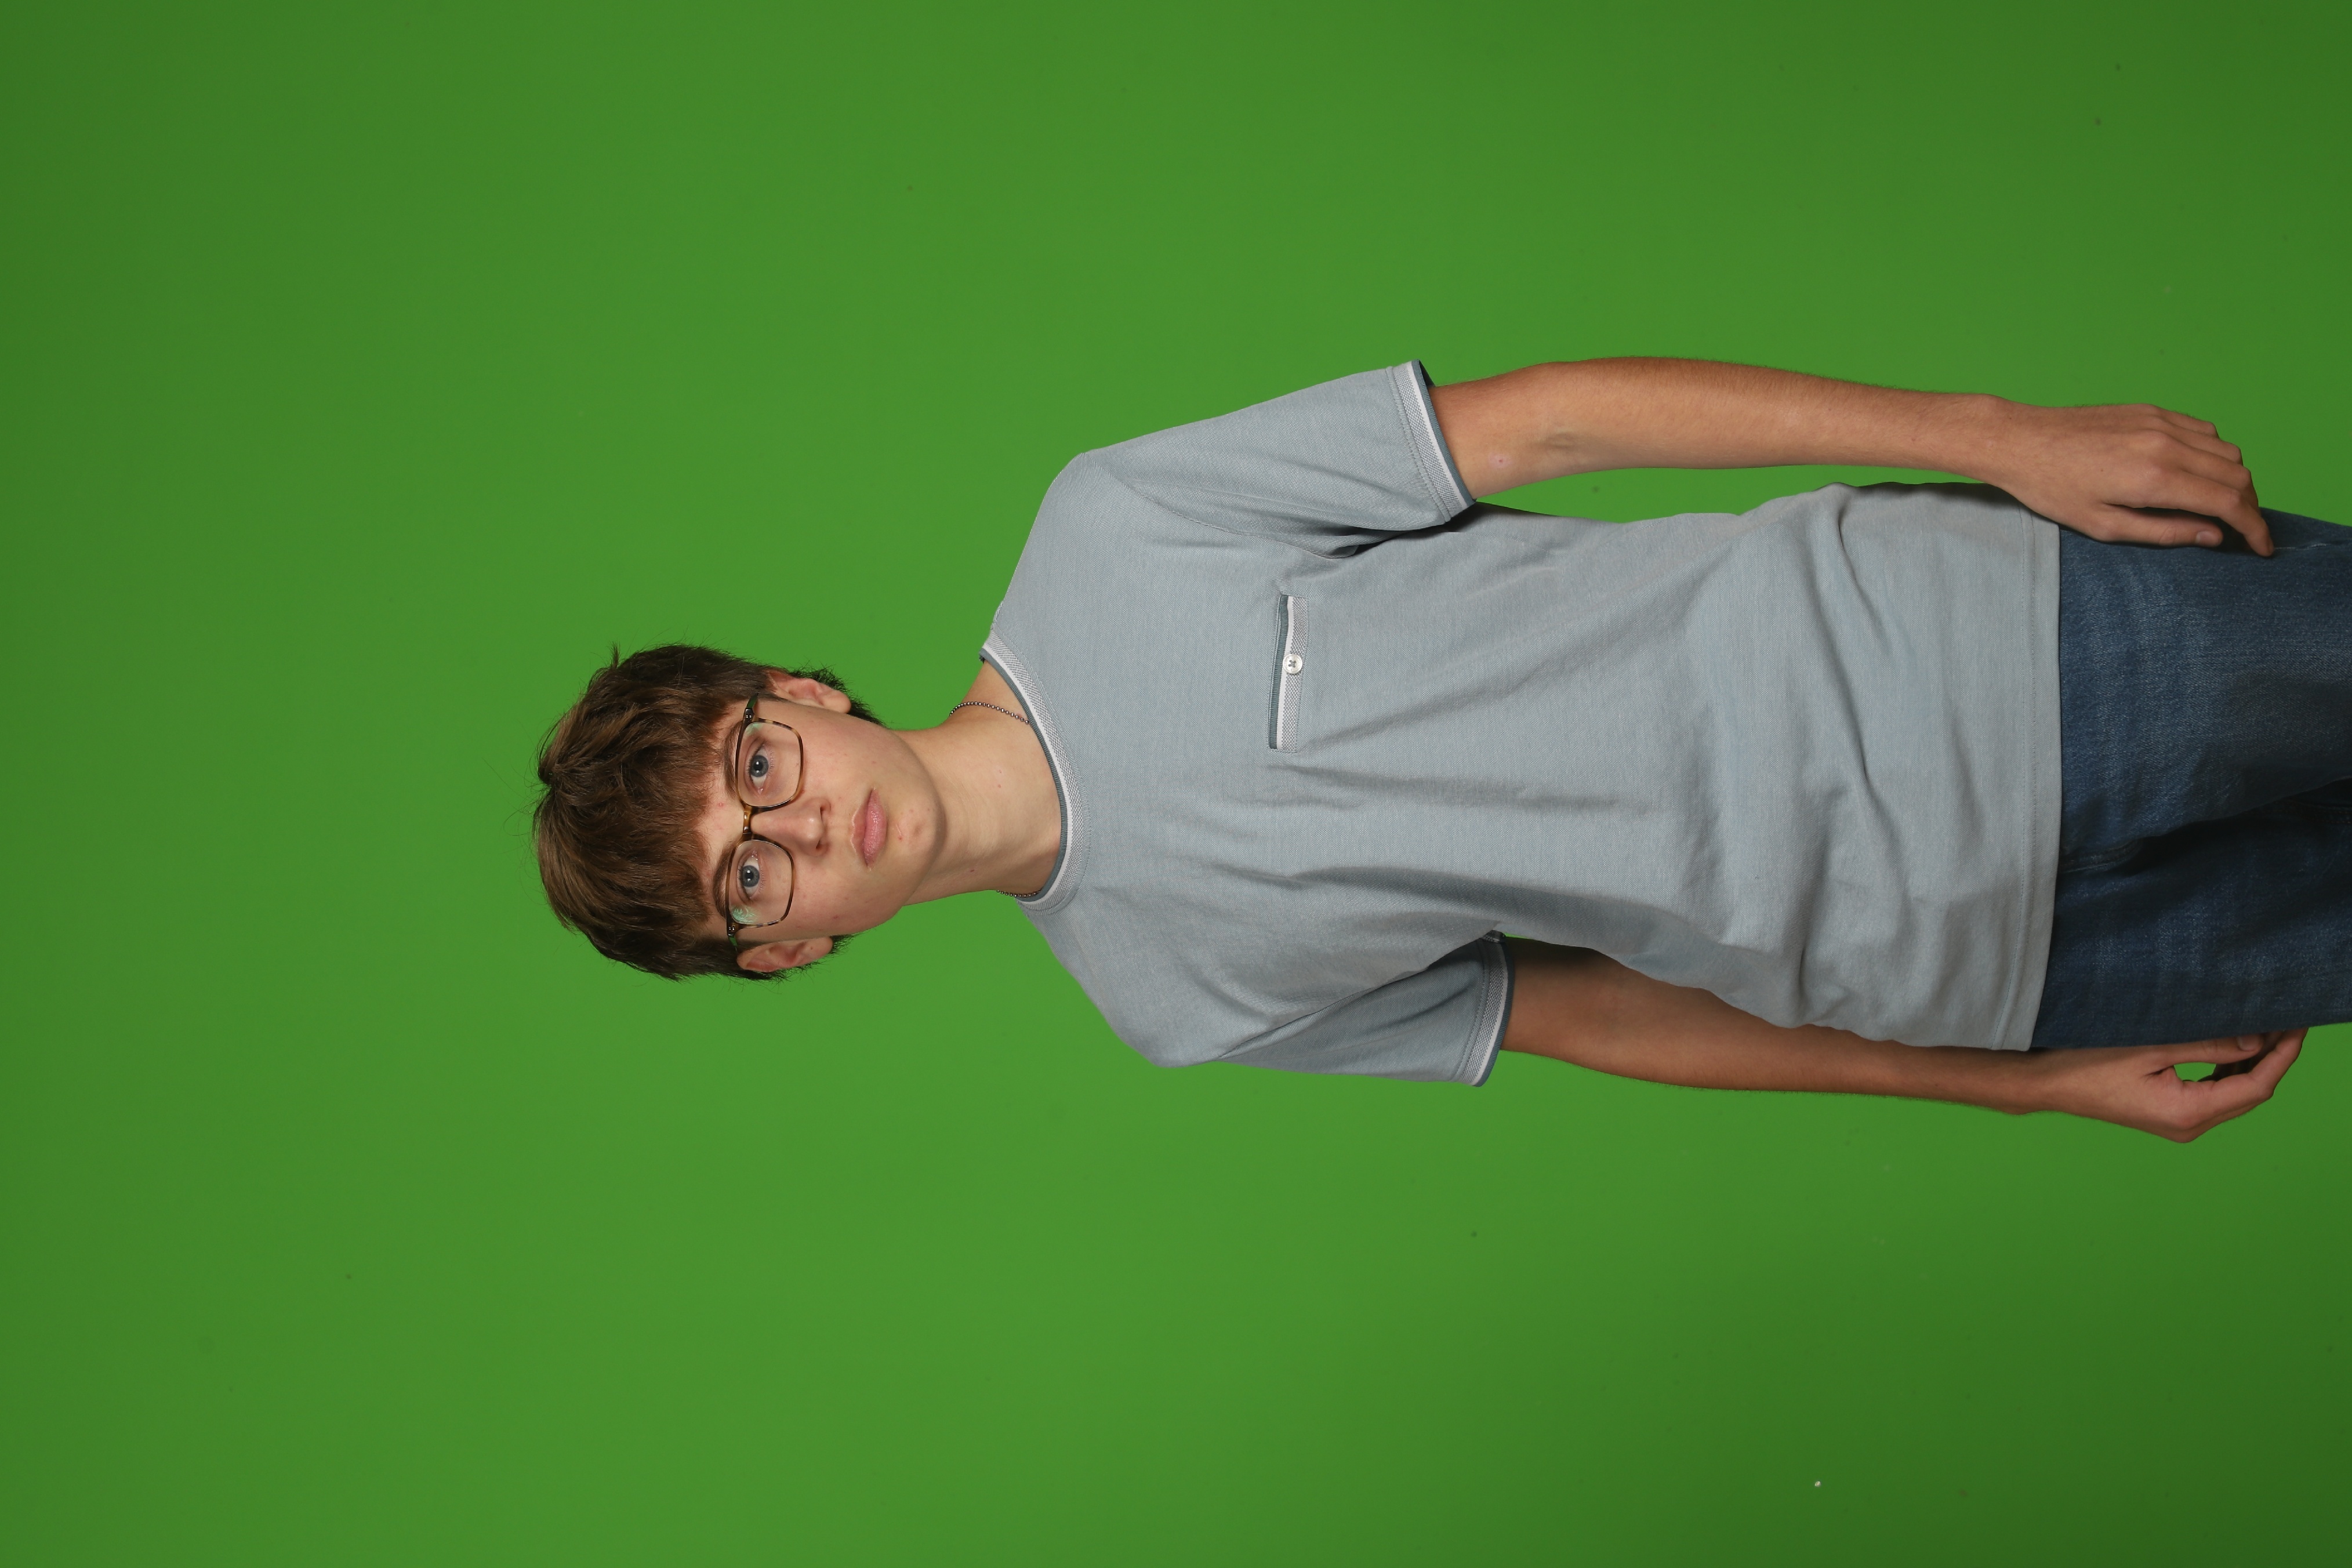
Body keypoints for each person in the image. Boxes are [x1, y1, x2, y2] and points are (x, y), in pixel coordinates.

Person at [533, 357, 2350, 1142]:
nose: (801, 827)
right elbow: (1603, 1017)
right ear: (788, 948)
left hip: (1986, 654)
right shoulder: (1171, 1004)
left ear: (798, 696)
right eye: (750, 876)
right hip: (1973, 962)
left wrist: (1993, 432)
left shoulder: (1111, 532)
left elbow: (1543, 426)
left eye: (754, 768)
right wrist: (2018, 1084)